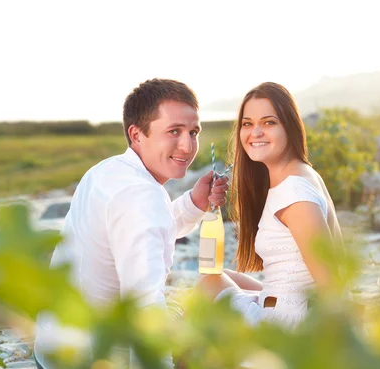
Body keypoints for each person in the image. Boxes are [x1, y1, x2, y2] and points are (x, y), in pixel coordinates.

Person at [34, 79, 229, 368]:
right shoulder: (141, 196)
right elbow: (144, 303)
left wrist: (193, 203)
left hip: (51, 350)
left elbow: (143, 235)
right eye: (174, 131)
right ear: (136, 135)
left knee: (217, 291)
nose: (188, 146)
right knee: (216, 307)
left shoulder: (107, 171)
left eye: (193, 132)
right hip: (92, 358)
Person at [195, 82, 343, 330]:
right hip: (291, 303)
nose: (255, 133)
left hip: (292, 329)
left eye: (268, 122)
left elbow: (331, 284)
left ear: (290, 126)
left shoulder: (294, 194)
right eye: (247, 123)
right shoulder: (298, 174)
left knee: (205, 289)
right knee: (217, 277)